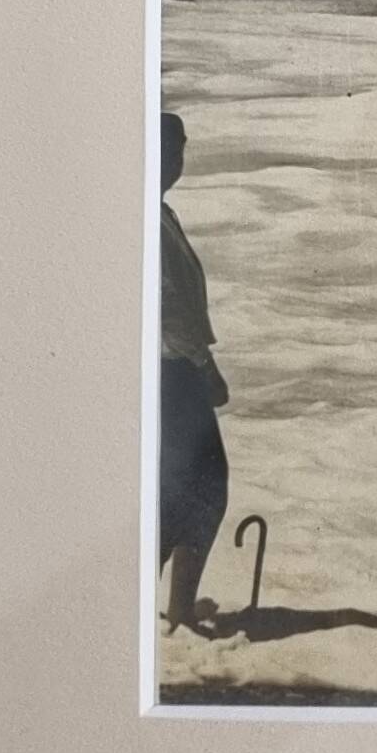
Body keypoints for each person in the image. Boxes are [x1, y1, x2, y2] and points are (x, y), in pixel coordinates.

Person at [157, 110, 231, 634]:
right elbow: (169, 307)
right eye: (167, 151)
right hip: (173, 370)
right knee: (203, 485)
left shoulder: (159, 212)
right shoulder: (146, 216)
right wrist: (206, 367)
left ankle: (177, 605)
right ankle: (174, 608)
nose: (175, 162)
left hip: (171, 368)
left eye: (179, 150)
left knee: (187, 486)